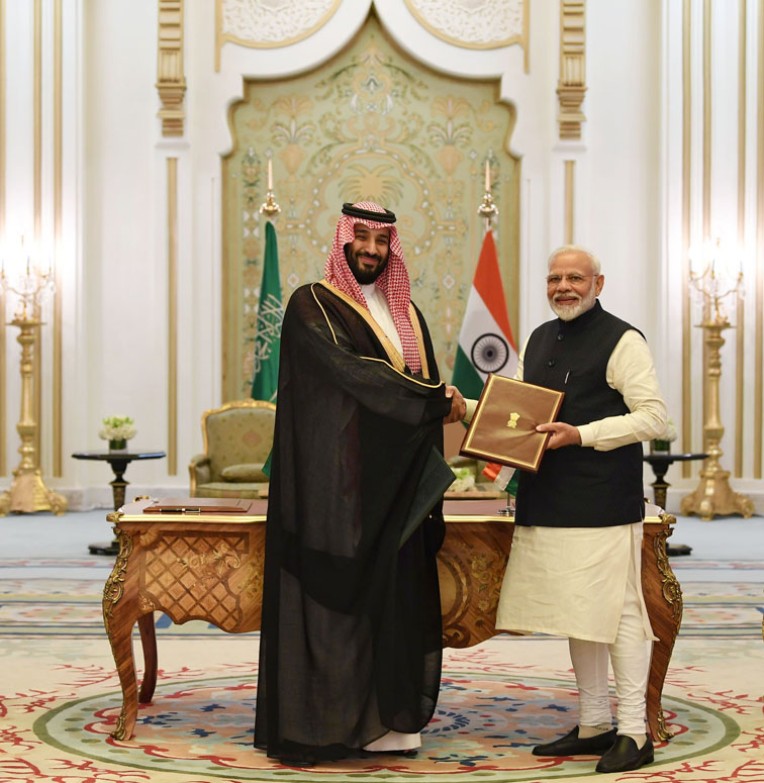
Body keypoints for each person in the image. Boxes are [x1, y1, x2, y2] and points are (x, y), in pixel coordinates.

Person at [254, 200, 466, 766]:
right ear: (344, 240)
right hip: (339, 488)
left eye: (382, 241)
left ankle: (388, 721)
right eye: (362, 237)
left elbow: (419, 384)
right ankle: (330, 726)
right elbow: (356, 375)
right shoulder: (313, 303)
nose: (371, 249)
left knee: (395, 598)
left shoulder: (407, 314)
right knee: (339, 603)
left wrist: (440, 402)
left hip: (398, 486)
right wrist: (434, 399)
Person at [494, 245, 668, 774]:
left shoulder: (623, 339)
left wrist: (582, 434)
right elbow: (518, 414)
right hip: (547, 497)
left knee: (621, 614)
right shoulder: (538, 337)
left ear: (598, 283)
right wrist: (471, 414)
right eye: (555, 279)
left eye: (575, 278)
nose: (563, 287)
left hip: (603, 501)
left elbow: (654, 418)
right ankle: (594, 725)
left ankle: (634, 732)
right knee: (579, 611)